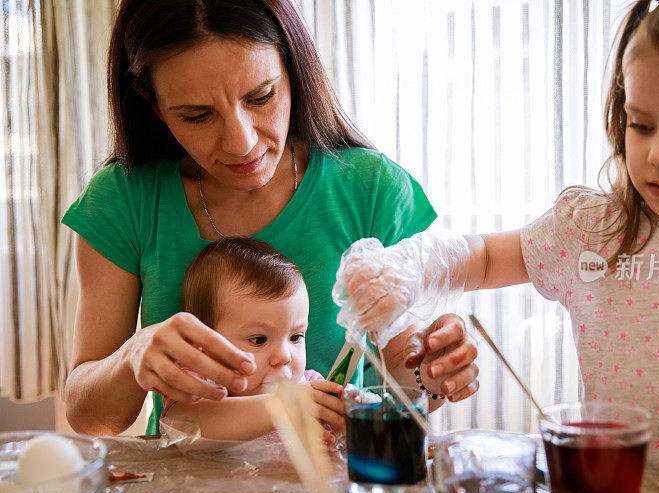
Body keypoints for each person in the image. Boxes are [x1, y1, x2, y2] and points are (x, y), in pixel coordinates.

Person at [335, 0, 659, 493]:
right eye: (641, 124)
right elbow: (483, 258)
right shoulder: (595, 229)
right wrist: (405, 269)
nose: (658, 154)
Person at [61, 0, 479, 438]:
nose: (242, 144)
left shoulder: (371, 189)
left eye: (261, 97)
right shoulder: (123, 198)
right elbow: (92, 417)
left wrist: (432, 371)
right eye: (197, 115)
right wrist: (133, 358)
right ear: (152, 103)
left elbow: (401, 377)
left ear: (293, 71)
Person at [160, 237, 445, 442]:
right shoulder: (198, 383)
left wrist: (344, 424)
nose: (284, 356)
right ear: (202, 345)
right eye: (259, 340)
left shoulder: (308, 385)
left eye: (296, 336)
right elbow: (183, 426)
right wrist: (284, 407)